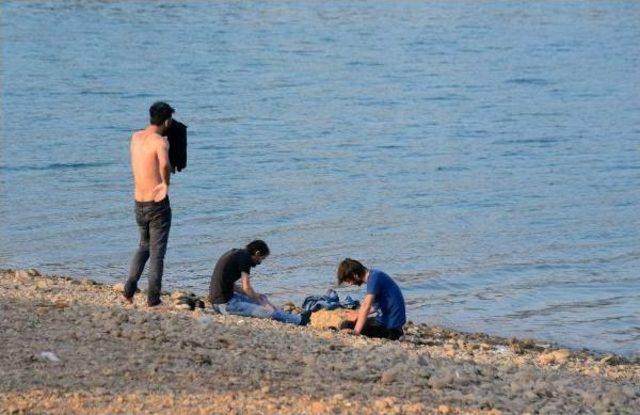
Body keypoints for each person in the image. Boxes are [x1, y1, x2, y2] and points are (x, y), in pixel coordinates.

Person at [123, 102, 174, 307]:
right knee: (157, 253)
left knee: (143, 246)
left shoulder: (135, 137)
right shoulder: (159, 142)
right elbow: (164, 164)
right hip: (156, 203)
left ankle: (129, 290)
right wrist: (165, 185)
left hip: (139, 201)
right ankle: (153, 299)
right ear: (167, 121)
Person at [209, 240, 310, 325]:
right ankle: (299, 320)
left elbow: (231, 285)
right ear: (257, 253)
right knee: (267, 311)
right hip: (225, 305)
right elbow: (247, 287)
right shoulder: (245, 259)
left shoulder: (237, 254)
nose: (259, 263)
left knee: (262, 298)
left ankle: (291, 316)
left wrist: (257, 296)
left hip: (219, 301)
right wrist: (260, 302)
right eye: (261, 259)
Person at [336, 258, 406, 340]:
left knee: (346, 325)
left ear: (355, 275)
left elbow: (366, 306)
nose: (351, 284)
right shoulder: (375, 275)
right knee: (348, 323)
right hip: (387, 323)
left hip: (391, 329)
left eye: (349, 280)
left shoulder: (374, 279)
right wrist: (356, 313)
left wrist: (356, 331)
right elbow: (374, 307)